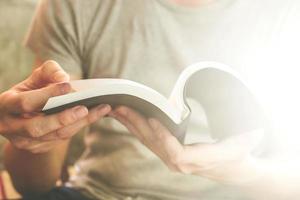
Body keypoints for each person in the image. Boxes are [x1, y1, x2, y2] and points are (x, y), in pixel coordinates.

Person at [4, 0, 300, 199]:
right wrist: (31, 136)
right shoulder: (78, 5)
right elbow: (31, 186)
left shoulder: (285, 13)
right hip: (98, 193)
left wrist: (248, 173)